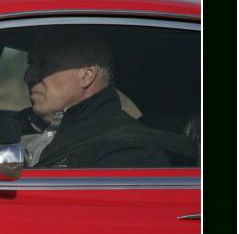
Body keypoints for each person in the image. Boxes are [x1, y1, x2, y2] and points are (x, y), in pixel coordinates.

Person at [13, 29, 171, 168]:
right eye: (31, 63)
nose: (28, 75)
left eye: (44, 64)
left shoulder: (130, 151)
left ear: (87, 74)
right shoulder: (15, 126)